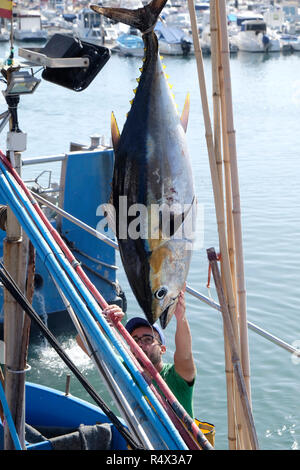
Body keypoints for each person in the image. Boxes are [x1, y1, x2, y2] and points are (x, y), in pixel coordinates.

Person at [103, 287, 196, 418]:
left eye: (148, 339)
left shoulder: (175, 377)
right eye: (135, 340)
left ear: (162, 349)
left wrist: (180, 317)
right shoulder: (126, 369)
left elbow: (185, 356)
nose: (140, 344)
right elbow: (83, 343)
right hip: (138, 437)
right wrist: (102, 322)